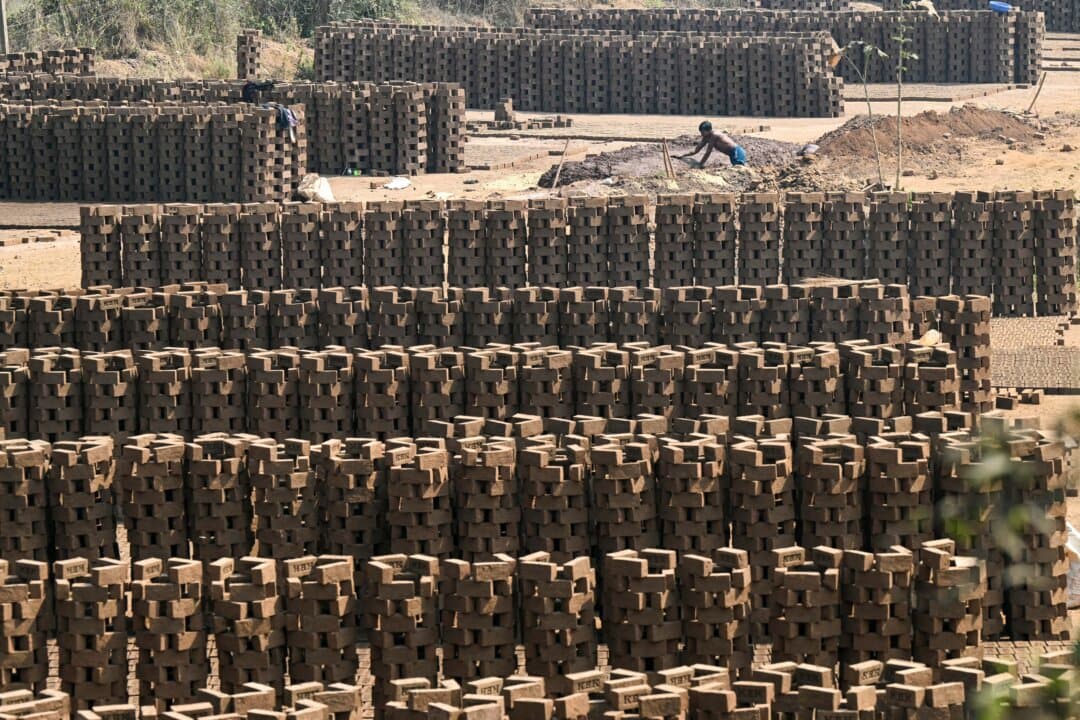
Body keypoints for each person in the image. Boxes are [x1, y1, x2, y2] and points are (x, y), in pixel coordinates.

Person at [679, 121, 747, 167]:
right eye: (701, 132)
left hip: (737, 152)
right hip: (732, 155)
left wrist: (700, 164)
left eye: (703, 132)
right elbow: (696, 150)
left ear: (709, 130)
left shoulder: (714, 135)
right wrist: (682, 155)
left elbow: (708, 152)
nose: (701, 134)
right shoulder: (705, 138)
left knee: (739, 168)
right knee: (737, 168)